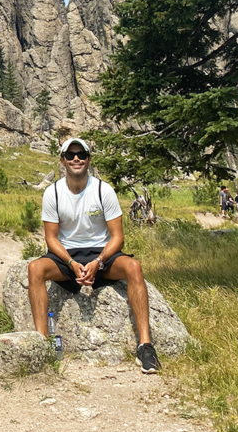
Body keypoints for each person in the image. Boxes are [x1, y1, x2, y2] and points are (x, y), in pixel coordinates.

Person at [27, 137, 161, 374]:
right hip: (67, 256)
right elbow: (51, 238)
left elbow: (117, 237)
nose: (75, 159)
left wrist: (98, 262)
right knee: (35, 269)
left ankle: (145, 345)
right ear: (62, 160)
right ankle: (42, 344)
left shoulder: (103, 190)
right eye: (70, 155)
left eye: (81, 155)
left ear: (89, 160)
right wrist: (71, 262)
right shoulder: (53, 193)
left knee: (134, 267)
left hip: (102, 254)